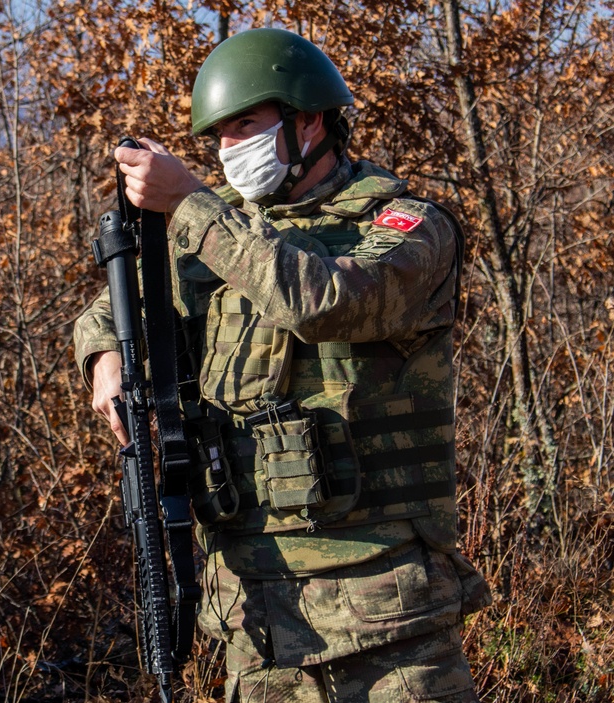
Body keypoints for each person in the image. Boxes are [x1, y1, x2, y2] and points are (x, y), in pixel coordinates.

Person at [74, 27, 491, 703]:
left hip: (386, 620)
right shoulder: (227, 233)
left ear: (310, 120)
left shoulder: (405, 226)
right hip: (259, 624)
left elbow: (326, 302)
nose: (229, 150)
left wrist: (190, 203)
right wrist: (104, 358)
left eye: (246, 124)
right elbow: (117, 306)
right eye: (218, 137)